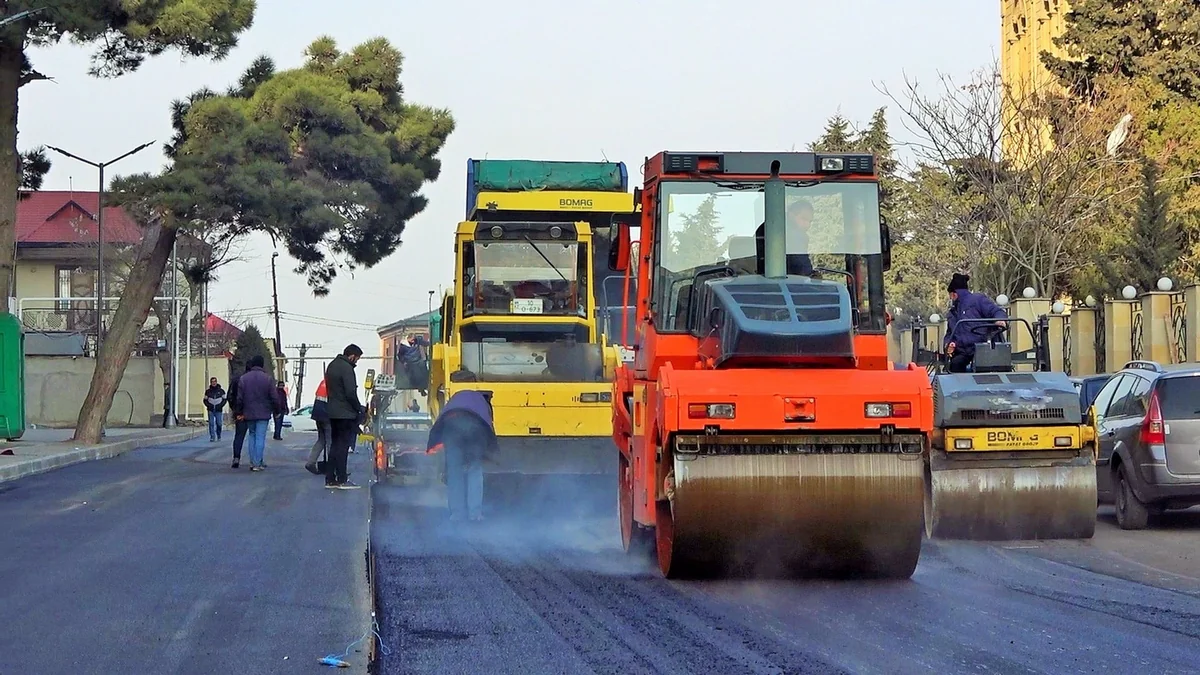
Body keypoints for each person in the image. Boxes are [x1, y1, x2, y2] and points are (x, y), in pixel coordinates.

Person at [426, 390, 497, 522]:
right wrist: (487, 452)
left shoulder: (457, 398)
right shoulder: (483, 404)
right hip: (473, 429)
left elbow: (441, 421)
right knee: (474, 470)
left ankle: (457, 514)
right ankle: (475, 514)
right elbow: (488, 430)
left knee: (454, 471)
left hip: (451, 428)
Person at [943, 273, 1008, 373]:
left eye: (950, 296)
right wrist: (948, 344)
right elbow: (949, 333)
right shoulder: (952, 313)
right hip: (963, 352)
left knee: (983, 364)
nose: (950, 299)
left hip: (982, 347)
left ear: (954, 294)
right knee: (955, 364)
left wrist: (999, 319)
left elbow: (996, 311)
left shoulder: (978, 300)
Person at [324, 344, 365, 489]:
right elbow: (350, 393)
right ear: (352, 356)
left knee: (335, 446)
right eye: (357, 359)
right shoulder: (347, 368)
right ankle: (342, 479)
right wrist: (359, 409)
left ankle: (330, 479)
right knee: (342, 447)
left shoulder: (332, 365)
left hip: (333, 412)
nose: (356, 362)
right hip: (345, 413)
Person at [234, 355, 280, 471]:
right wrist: (277, 411)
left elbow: (239, 398)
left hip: (248, 412)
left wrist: (239, 412)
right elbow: (274, 397)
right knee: (260, 437)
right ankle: (257, 463)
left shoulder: (244, 379)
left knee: (252, 435)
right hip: (263, 413)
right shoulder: (268, 379)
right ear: (262, 364)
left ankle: (252, 461)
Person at [754, 200, 818, 276]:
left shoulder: (769, 225)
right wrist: (811, 275)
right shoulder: (791, 233)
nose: (807, 225)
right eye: (804, 219)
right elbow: (801, 264)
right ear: (791, 214)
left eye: (810, 221)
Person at [228, 363, 253, 469]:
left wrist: (236, 411)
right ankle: (255, 460)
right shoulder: (257, 380)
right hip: (254, 413)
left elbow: (230, 396)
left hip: (240, 413)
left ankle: (236, 457)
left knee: (239, 436)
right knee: (255, 437)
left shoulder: (237, 379)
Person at [305, 378, 331, 475]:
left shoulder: (323, 382)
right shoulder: (335, 383)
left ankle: (310, 462)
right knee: (330, 441)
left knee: (321, 440)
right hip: (327, 416)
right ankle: (332, 467)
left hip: (318, 415)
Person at [203, 377, 227, 443]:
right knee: (211, 423)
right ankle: (212, 437)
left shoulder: (221, 391)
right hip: (210, 410)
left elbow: (225, 400)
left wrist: (220, 405)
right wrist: (209, 405)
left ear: (216, 382)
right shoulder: (208, 391)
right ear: (211, 383)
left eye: (215, 381)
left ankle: (219, 435)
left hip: (218, 410)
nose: (213, 383)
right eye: (212, 381)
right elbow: (205, 400)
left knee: (219, 423)